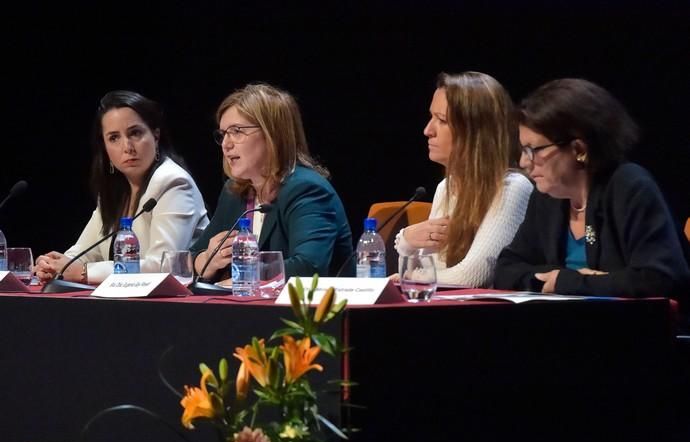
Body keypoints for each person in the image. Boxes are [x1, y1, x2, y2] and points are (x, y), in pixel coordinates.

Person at [494, 78, 690, 298]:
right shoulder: (548, 196)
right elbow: (506, 269)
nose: (523, 162)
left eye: (533, 150)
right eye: (523, 150)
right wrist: (564, 278)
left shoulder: (630, 186)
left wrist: (571, 282)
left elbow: (661, 278)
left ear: (579, 149)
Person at [34, 90, 209, 284]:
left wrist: (83, 273)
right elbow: (84, 251)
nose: (127, 147)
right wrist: (56, 265)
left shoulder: (174, 183)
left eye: (135, 133)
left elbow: (164, 265)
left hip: (177, 306)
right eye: (114, 138)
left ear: (156, 135)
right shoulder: (116, 191)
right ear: (105, 147)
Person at [190, 83, 354, 280]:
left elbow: (308, 267)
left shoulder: (306, 189)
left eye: (237, 131)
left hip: (312, 308)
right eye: (223, 134)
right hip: (254, 308)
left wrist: (239, 277)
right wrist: (208, 260)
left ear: (271, 134)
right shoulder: (234, 192)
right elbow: (193, 256)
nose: (226, 144)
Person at [394, 72, 533, 287]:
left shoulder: (512, 188)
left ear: (475, 131)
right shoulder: (447, 187)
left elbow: (471, 277)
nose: (427, 130)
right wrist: (407, 243)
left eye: (441, 120)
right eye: (431, 117)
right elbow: (429, 273)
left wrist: (408, 277)